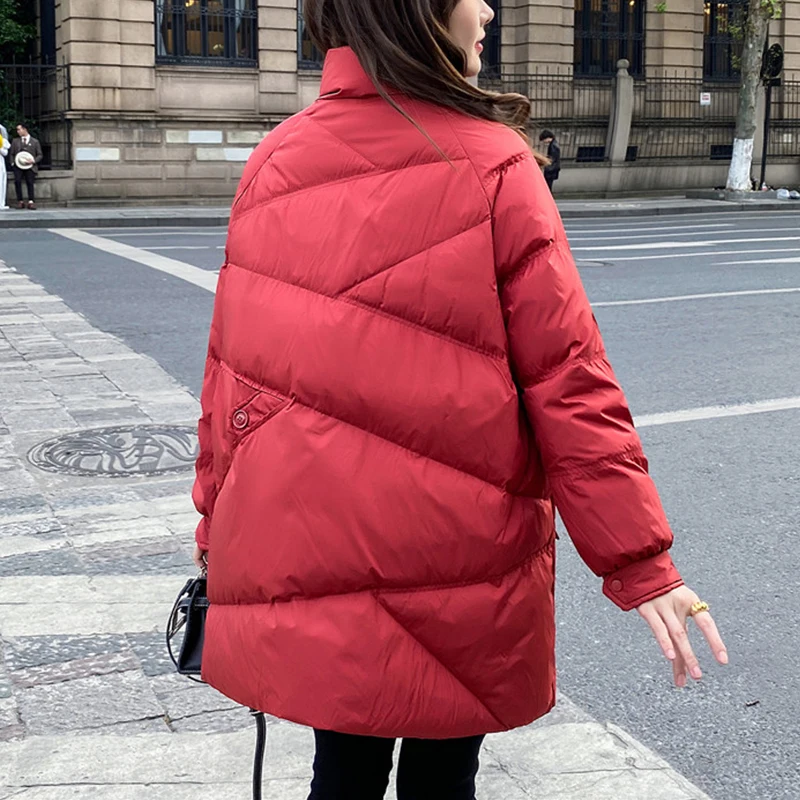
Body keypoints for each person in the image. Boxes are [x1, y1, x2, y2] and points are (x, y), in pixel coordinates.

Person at [191, 1, 728, 798]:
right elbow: (568, 379)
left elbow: (231, 376)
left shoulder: (276, 158)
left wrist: (214, 524)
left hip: (315, 541)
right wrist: (640, 561)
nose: (488, 11)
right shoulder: (493, 162)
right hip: (461, 548)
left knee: (340, 769)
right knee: (444, 778)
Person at [9, 124, 43, 210]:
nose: (18, 132)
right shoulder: (15, 141)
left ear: (25, 129)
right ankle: (20, 201)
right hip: (18, 165)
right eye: (17, 130)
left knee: (30, 182)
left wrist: (34, 161)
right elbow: (11, 154)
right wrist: (13, 163)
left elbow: (40, 154)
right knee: (17, 181)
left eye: (19, 129)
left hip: (30, 165)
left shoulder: (35, 141)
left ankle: (31, 201)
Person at [539, 128, 561, 193]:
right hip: (552, 169)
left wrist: (546, 166)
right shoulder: (554, 144)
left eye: (544, 139)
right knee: (548, 186)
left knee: (548, 187)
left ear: (547, 137)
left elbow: (552, 159)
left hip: (551, 170)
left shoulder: (553, 146)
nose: (544, 142)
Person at [0, 125, 9, 210]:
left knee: (1, 183)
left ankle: (1, 202)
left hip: (0, 164)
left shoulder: (3, 141)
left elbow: (5, 153)